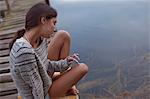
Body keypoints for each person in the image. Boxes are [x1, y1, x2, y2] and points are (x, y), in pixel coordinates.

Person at [9, 3, 88, 99]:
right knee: (82, 68)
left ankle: (67, 84)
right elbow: (36, 88)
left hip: (44, 79)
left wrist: (66, 62)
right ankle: (65, 85)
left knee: (63, 35)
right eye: (54, 23)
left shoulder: (39, 39)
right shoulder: (24, 52)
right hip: (40, 93)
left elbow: (46, 64)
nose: (54, 28)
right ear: (43, 20)